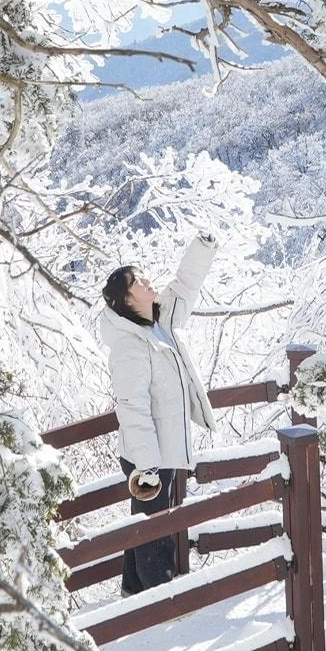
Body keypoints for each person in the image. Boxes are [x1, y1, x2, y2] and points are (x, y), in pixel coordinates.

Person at [99, 233, 219, 596]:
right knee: (156, 532)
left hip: (161, 450)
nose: (148, 282)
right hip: (147, 454)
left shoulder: (159, 323)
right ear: (126, 300)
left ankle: (133, 595)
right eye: (138, 281)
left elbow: (183, 286)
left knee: (146, 525)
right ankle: (159, 603)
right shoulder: (129, 346)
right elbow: (132, 408)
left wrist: (203, 247)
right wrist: (148, 466)